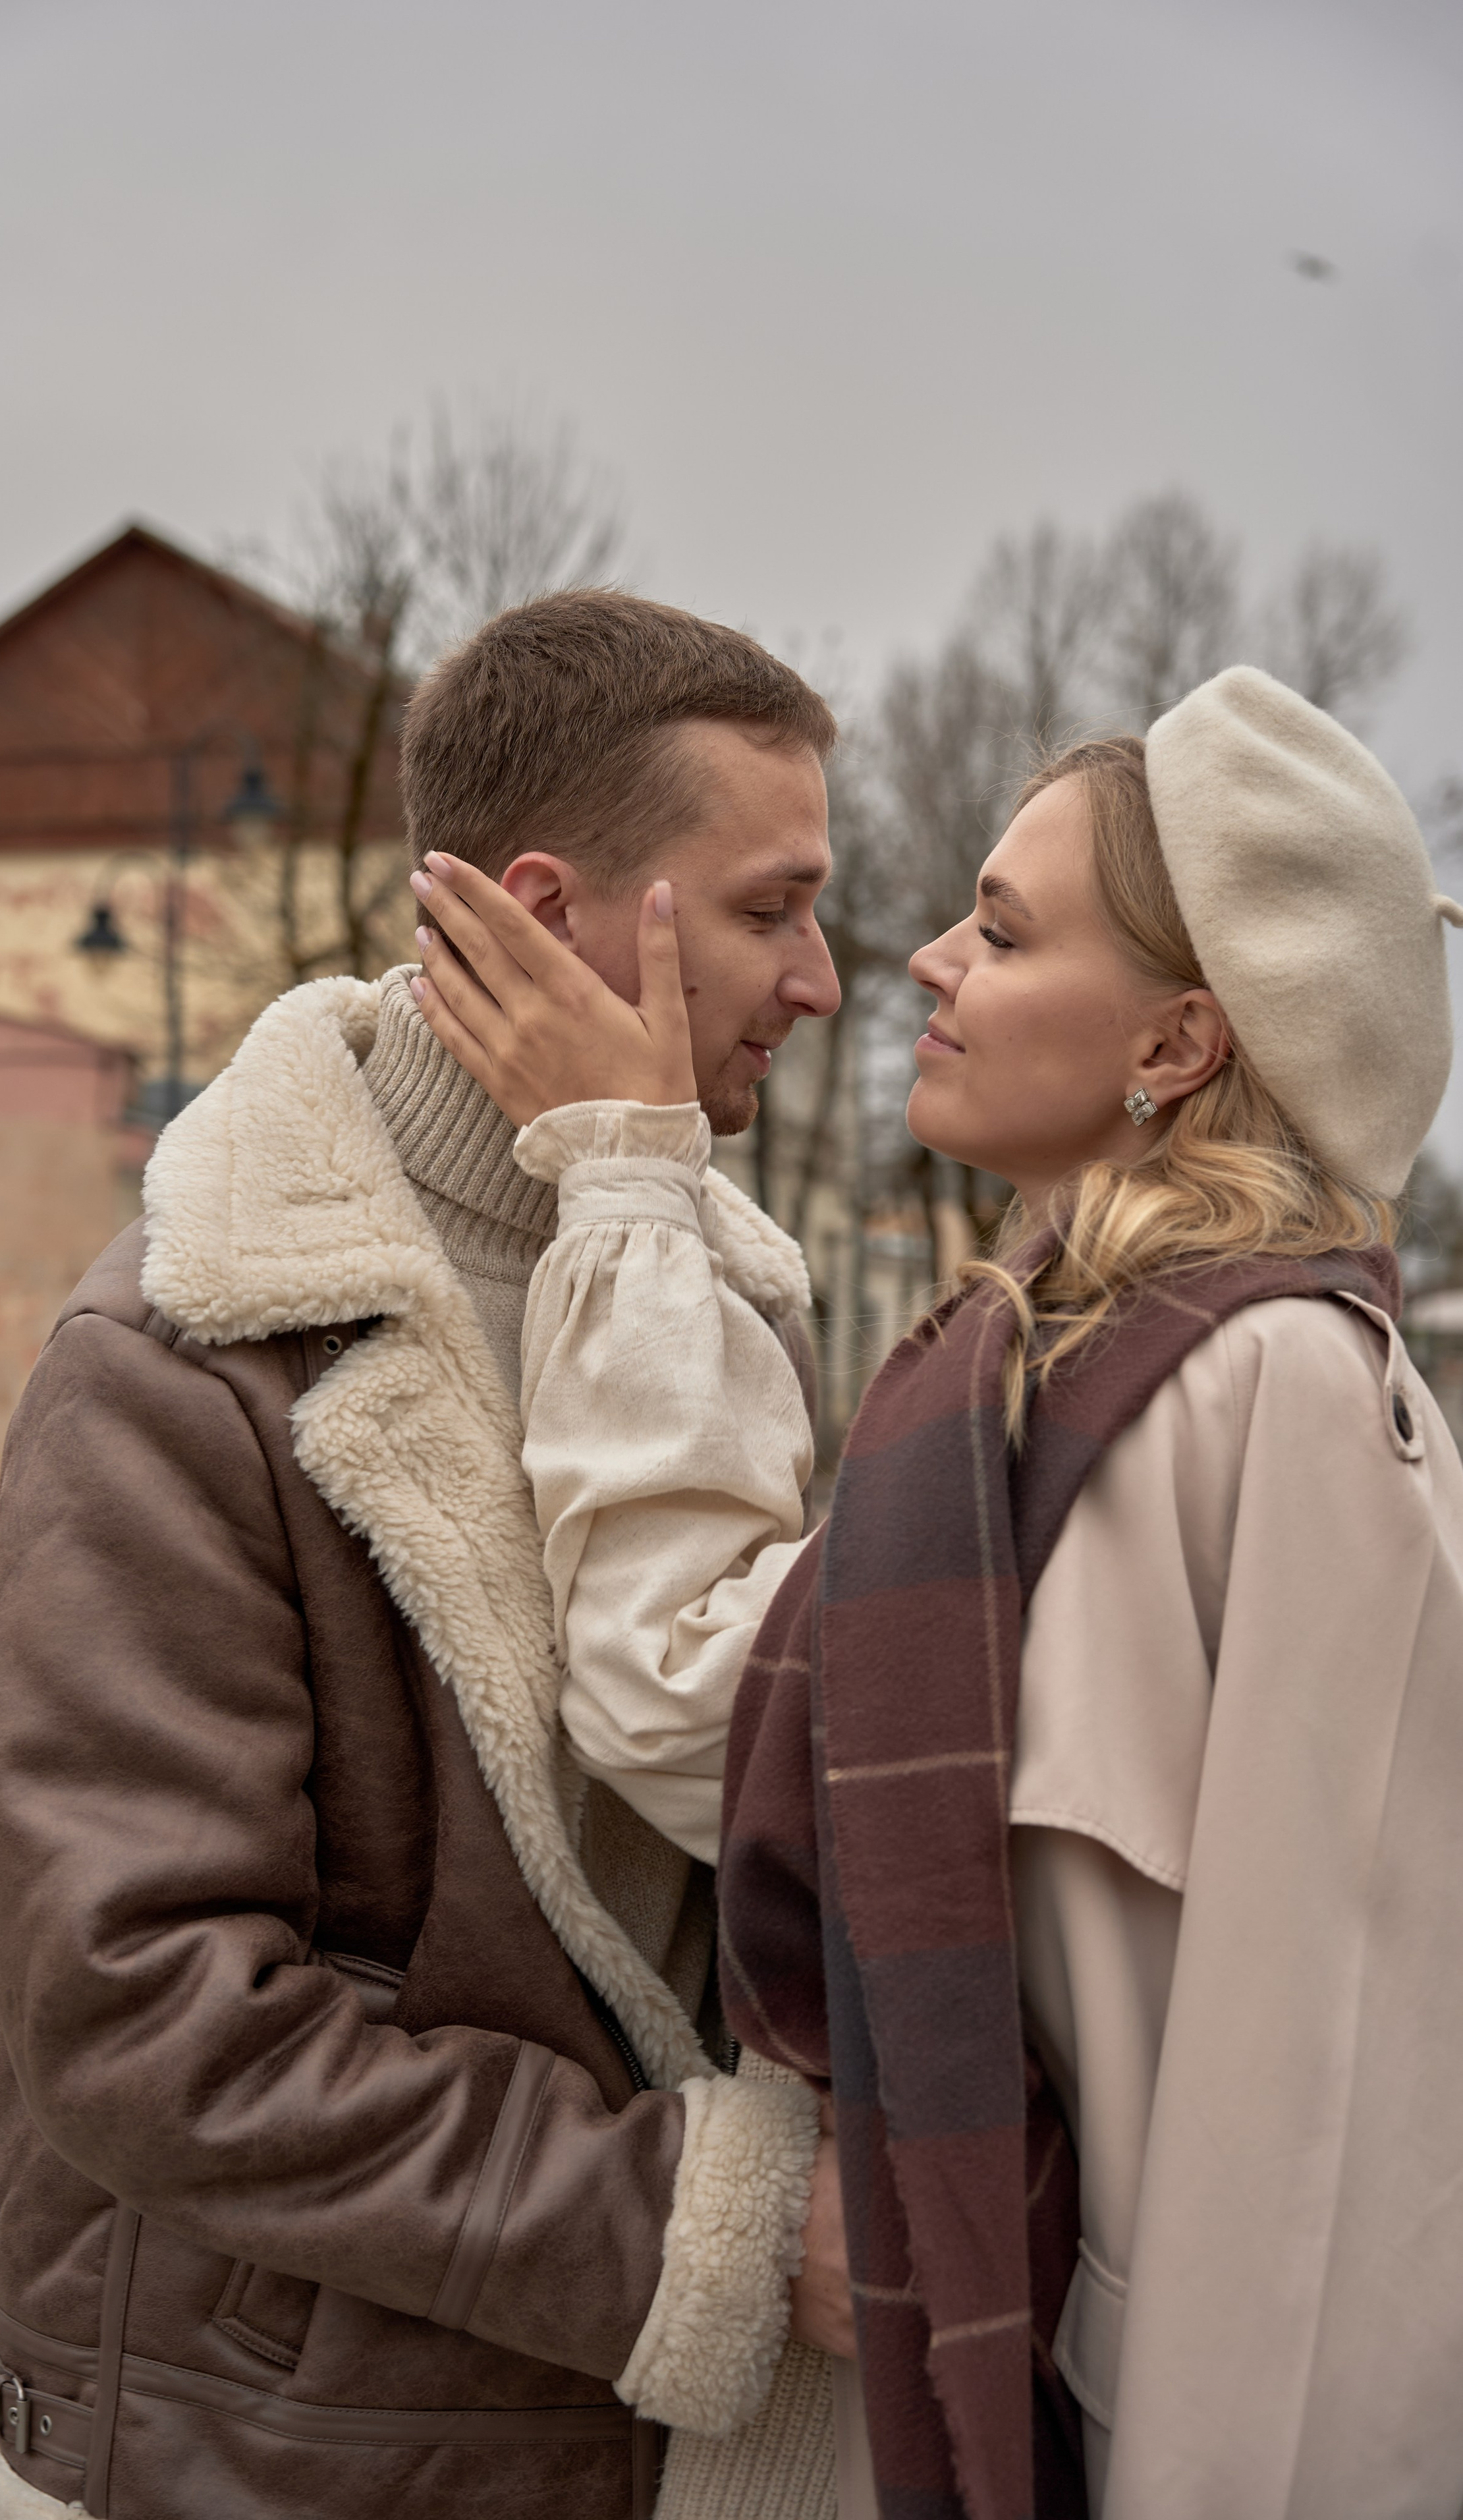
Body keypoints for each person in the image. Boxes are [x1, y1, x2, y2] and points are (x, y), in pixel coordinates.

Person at [408, 665, 1463, 2520]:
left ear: (1180, 1042)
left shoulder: (1249, 1390)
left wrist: (632, 1180)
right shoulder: (1110, 1364)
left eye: (1000, 926)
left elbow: (1340, 2123)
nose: (912, 963)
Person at [0, 590, 852, 2520]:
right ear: (546, 910)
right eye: (771, 909)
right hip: (270, 2458)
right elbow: (146, 2014)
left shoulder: (738, 1317)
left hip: (651, 2455)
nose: (828, 978)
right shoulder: (181, 1361)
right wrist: (724, 2231)